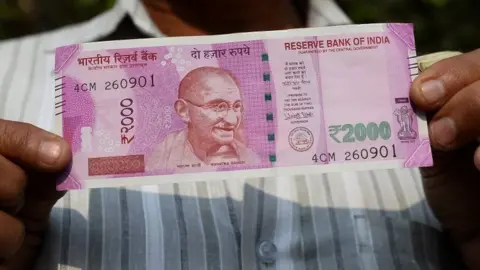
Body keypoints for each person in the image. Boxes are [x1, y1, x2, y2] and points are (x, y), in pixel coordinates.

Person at [0, 0, 479, 269]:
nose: (229, 118)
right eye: (215, 106)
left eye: (234, 106)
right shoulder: (6, 74)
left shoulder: (433, 100)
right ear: (181, 111)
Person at [146, 67, 260, 172]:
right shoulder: (161, 157)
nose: (232, 121)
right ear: (183, 111)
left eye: (236, 106)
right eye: (218, 107)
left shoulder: (250, 159)